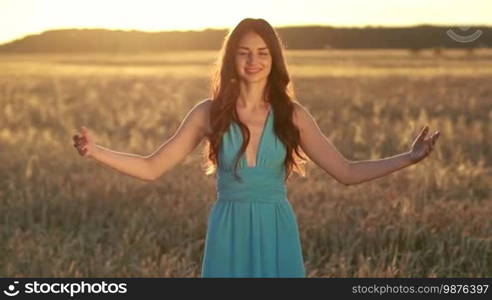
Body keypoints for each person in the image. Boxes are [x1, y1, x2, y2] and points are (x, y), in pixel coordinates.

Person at [72, 18, 441, 278]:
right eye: (244, 52)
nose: (253, 61)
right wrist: (96, 151)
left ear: (274, 59)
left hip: (275, 226)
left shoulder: (292, 116)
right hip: (227, 228)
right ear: (231, 58)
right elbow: (152, 167)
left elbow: (346, 172)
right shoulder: (208, 113)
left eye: (262, 52)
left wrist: (409, 158)